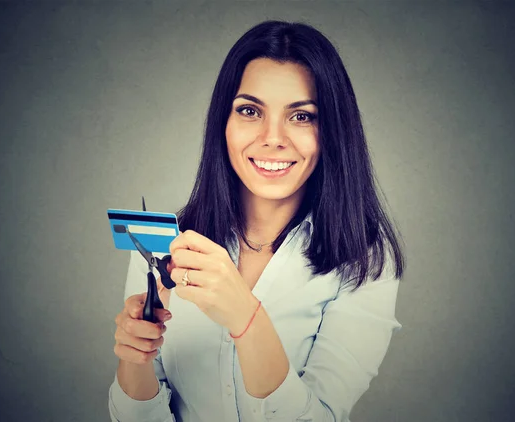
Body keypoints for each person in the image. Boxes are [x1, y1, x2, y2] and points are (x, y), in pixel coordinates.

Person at [108, 19, 405, 422]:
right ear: (223, 122)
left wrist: (246, 318)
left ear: (331, 130)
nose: (272, 138)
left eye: (301, 116)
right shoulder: (165, 242)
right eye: (250, 111)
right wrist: (135, 358)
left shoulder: (365, 258)